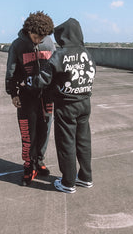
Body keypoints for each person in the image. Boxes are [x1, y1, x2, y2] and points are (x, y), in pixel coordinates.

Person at [26, 18, 96, 193]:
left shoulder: (60, 55)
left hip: (66, 105)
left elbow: (43, 79)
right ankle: (85, 177)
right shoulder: (86, 53)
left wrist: (27, 82)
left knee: (66, 143)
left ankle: (68, 182)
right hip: (85, 102)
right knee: (84, 141)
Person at [5, 11, 56, 186]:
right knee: (28, 133)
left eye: (41, 38)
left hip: (46, 97)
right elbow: (10, 71)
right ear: (28, 32)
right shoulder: (18, 45)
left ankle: (39, 161)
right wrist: (13, 93)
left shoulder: (49, 44)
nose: (38, 41)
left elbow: (55, 68)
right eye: (35, 37)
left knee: (45, 131)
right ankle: (28, 165)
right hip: (26, 97)